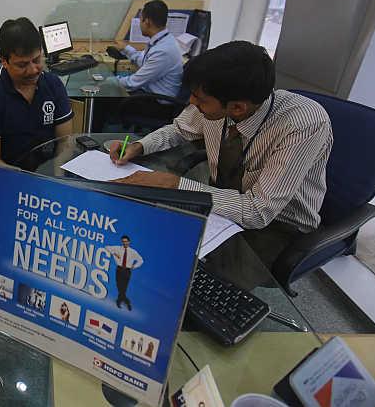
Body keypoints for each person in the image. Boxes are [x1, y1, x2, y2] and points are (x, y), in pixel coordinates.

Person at [110, 41, 333, 280]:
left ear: (237, 108)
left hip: (277, 226)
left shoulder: (302, 125)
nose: (192, 103)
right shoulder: (215, 100)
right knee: (150, 241)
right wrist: (140, 146)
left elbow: (258, 212)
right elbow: (179, 129)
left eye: (199, 99)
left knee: (193, 282)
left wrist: (175, 184)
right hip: (220, 204)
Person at [0, 17, 73, 166]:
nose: (32, 70)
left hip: (46, 171)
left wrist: (57, 175)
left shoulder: (53, 85)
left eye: (37, 60)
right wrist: (26, 185)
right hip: (10, 173)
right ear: (4, 61)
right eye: (22, 65)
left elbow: (65, 142)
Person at [114, 0, 183, 96]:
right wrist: (125, 48)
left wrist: (109, 81)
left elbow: (132, 83)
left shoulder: (163, 51)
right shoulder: (162, 40)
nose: (140, 24)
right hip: (149, 94)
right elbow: (143, 61)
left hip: (157, 103)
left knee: (108, 98)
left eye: (140, 20)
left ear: (147, 22)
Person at [105, 235, 144, 310]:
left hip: (127, 270)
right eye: (123, 242)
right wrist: (114, 253)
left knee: (124, 288)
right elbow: (107, 247)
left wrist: (134, 266)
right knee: (119, 286)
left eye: (126, 241)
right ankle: (125, 300)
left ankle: (121, 301)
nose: (125, 243)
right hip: (119, 269)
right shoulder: (118, 248)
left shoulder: (133, 252)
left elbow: (141, 260)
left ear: (129, 242)